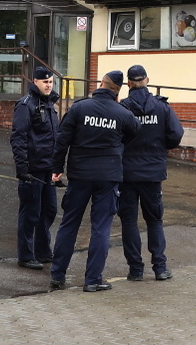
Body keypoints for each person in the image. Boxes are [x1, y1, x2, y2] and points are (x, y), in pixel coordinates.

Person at [50, 71, 137, 292]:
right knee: (101, 228)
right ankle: (92, 280)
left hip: (80, 175)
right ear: (118, 91)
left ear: (101, 84)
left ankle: (57, 275)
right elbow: (134, 131)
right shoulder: (123, 114)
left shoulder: (80, 108)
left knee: (69, 223)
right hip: (108, 177)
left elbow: (62, 140)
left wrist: (57, 169)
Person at [119, 64, 184, 281]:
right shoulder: (161, 107)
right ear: (147, 80)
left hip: (127, 173)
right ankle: (160, 268)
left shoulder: (123, 108)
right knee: (154, 220)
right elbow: (176, 134)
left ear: (128, 83)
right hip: (153, 173)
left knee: (129, 222)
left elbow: (115, 138)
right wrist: (159, 147)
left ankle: (135, 270)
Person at [10, 68, 60, 270]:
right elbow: (18, 137)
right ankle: (26, 254)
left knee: (49, 210)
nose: (48, 85)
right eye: (44, 82)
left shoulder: (49, 105)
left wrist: (57, 166)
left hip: (47, 168)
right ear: (35, 82)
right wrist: (22, 167)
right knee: (30, 213)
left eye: (50, 82)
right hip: (32, 168)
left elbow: (54, 137)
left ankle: (42, 250)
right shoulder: (26, 105)